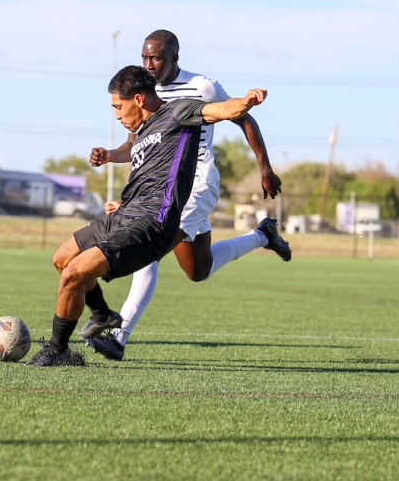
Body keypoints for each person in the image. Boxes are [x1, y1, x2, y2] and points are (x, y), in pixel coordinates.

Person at [25, 65, 267, 366]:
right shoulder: (141, 132)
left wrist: (247, 100)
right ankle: (102, 313)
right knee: (62, 259)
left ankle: (57, 351)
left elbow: (222, 110)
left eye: (118, 106)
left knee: (76, 273)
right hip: (126, 214)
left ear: (138, 99)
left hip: (152, 223)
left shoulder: (179, 112)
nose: (116, 114)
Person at [81, 30, 290, 361]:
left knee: (149, 250)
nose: (149, 64)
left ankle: (119, 338)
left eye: (156, 58)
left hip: (197, 182)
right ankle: (263, 236)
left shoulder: (202, 87)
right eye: (145, 57)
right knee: (198, 270)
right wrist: (109, 154)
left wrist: (265, 168)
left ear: (174, 58)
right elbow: (141, 142)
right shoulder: (144, 93)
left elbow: (241, 117)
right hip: (163, 186)